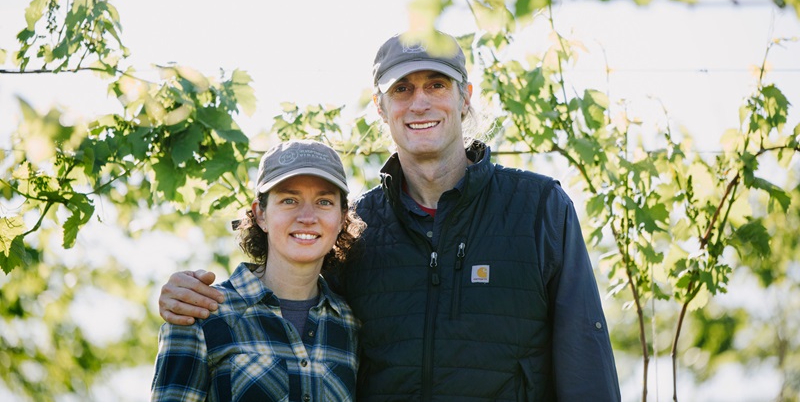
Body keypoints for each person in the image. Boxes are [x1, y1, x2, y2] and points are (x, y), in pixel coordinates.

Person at [158, 32, 622, 401]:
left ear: (465, 97)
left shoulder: (539, 209)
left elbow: (586, 363)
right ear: (380, 107)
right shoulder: (356, 228)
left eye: (436, 84)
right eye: (402, 89)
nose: (419, 102)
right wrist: (188, 295)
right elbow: (289, 305)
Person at [151, 139, 362, 401]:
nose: (307, 217)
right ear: (260, 214)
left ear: (342, 219)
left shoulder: (350, 325)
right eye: (289, 200)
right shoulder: (202, 313)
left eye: (324, 202)